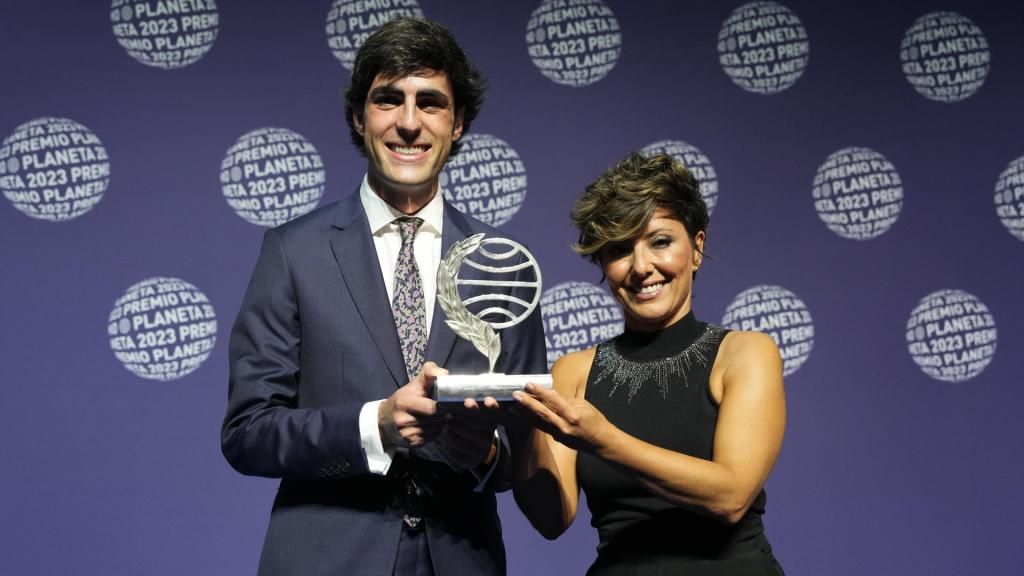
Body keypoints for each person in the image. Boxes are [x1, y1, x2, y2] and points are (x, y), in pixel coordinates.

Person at [221, 17, 546, 576]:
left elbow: (526, 448)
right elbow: (248, 432)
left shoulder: (502, 265)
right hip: (326, 559)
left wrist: (489, 454)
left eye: (431, 103)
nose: (409, 123)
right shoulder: (292, 252)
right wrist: (376, 424)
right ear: (358, 117)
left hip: (462, 558)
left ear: (458, 121)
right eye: (388, 100)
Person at [512, 152, 786, 575]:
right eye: (620, 249)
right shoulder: (575, 372)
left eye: (660, 241)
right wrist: (516, 430)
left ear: (696, 248)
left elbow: (730, 496)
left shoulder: (744, 353)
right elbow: (551, 520)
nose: (641, 268)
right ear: (603, 265)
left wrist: (604, 440)